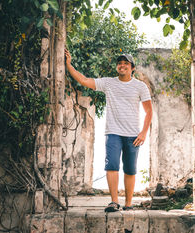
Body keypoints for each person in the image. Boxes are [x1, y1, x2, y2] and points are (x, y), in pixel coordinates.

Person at [65, 49, 153, 212]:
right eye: (120, 63)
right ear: (117, 67)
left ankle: (128, 204)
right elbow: (84, 80)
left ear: (132, 68)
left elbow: (149, 111)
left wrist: (143, 133)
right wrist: (68, 64)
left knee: (130, 169)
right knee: (112, 165)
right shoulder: (108, 83)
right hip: (113, 132)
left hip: (133, 134)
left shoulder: (140, 86)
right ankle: (114, 201)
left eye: (126, 63)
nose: (122, 66)